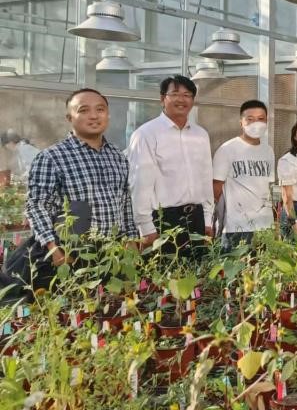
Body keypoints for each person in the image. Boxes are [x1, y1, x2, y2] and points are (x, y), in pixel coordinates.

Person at [25, 88, 137, 269]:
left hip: (112, 253)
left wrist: (131, 240)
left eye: (100, 109)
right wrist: (53, 249)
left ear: (108, 114)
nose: (94, 116)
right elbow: (37, 206)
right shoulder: (52, 157)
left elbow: (125, 203)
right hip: (71, 251)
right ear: (69, 118)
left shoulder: (117, 156)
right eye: (83, 110)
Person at [127, 75, 213, 259]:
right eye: (174, 94)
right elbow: (140, 184)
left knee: (197, 272)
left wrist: (208, 219)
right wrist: (146, 227)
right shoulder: (146, 134)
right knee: (163, 273)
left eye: (187, 95)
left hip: (196, 217)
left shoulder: (201, 135)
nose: (181, 99)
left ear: (193, 100)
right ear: (162, 98)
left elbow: (206, 179)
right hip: (163, 220)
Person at [212, 100, 276, 250]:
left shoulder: (268, 150)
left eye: (261, 119)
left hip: (265, 225)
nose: (256, 123)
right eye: (250, 119)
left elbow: (268, 187)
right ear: (241, 122)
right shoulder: (227, 149)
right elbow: (215, 189)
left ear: (266, 122)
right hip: (236, 227)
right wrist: (212, 221)